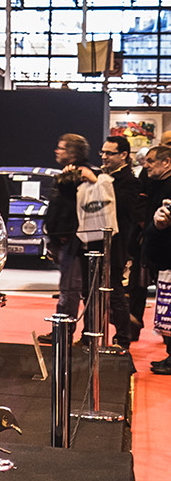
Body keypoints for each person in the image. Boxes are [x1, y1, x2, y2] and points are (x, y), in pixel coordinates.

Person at [39, 133, 97, 345]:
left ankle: (66, 334)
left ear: (73, 152)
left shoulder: (82, 175)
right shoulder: (69, 174)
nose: (57, 151)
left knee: (70, 290)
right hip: (64, 241)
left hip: (74, 242)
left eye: (61, 148)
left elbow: (75, 209)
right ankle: (68, 332)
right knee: (70, 289)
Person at [100, 135, 141, 348]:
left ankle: (123, 338)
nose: (105, 157)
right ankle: (93, 335)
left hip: (116, 245)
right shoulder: (102, 177)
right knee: (93, 293)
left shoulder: (131, 182)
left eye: (109, 153)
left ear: (123, 155)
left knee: (114, 292)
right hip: (96, 243)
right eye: (103, 152)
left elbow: (122, 208)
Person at [135, 146, 171, 373]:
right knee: (166, 313)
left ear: (166, 163)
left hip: (166, 255)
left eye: (150, 161)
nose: (145, 165)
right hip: (161, 256)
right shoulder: (154, 185)